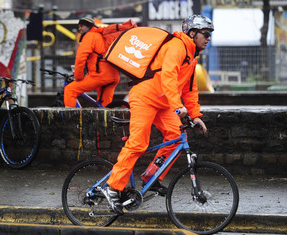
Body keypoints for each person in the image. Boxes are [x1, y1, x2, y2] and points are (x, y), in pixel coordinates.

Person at [102, 15, 212, 214]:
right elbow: (168, 78)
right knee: (138, 143)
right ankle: (112, 187)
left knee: (175, 136)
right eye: (205, 34)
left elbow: (190, 89)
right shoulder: (177, 46)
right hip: (145, 97)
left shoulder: (192, 56)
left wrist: (195, 115)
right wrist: (178, 108)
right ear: (193, 33)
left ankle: (151, 177)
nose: (208, 38)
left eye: (210, 35)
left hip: (163, 103)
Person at [63, 17, 120, 107]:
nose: (79, 28)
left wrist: (78, 76)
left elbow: (81, 58)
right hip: (113, 76)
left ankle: (71, 119)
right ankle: (107, 120)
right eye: (79, 26)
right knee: (104, 106)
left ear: (89, 26)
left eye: (82, 26)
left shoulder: (90, 36)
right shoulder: (101, 35)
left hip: (99, 75)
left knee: (70, 89)